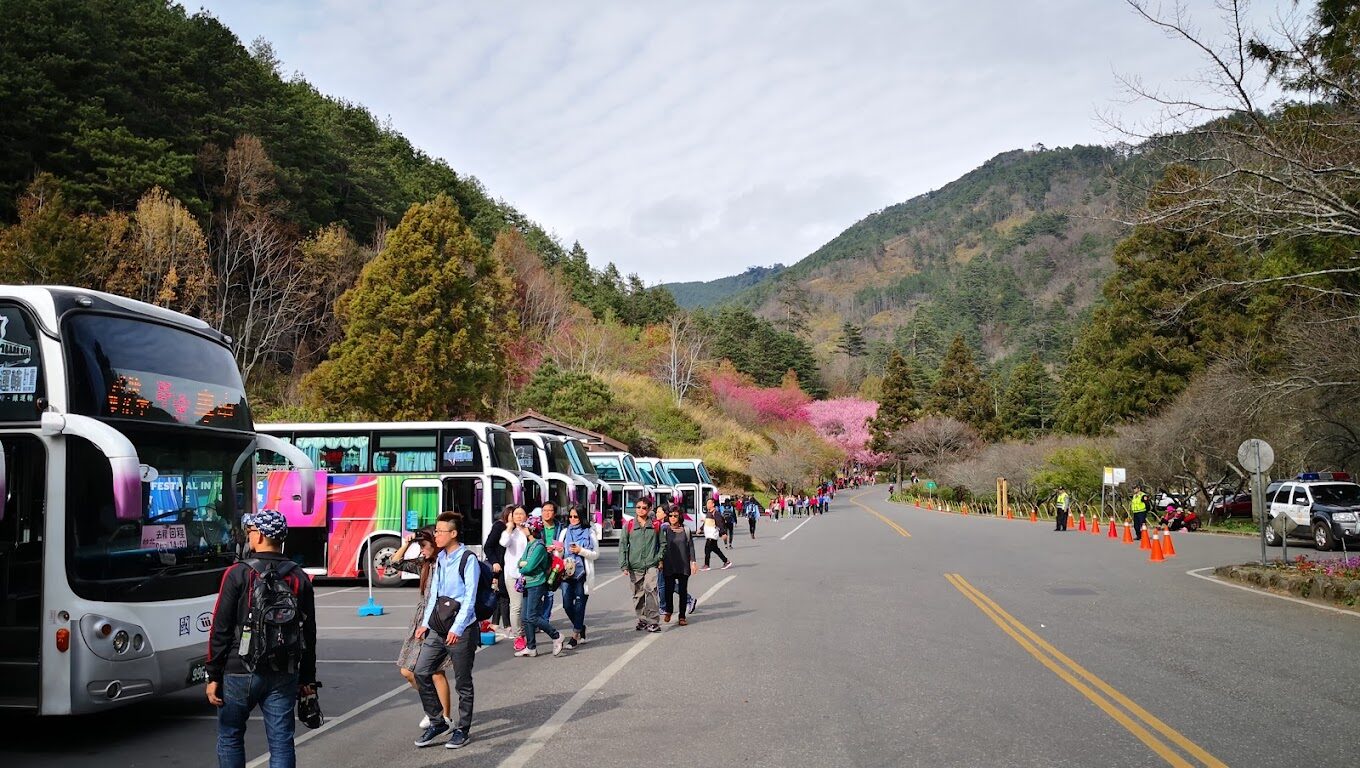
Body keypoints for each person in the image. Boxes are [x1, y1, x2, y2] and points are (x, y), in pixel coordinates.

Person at [205, 510, 318, 768]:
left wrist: (212, 675)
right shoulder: (299, 577)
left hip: (238, 669)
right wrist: (307, 679)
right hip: (283, 670)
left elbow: (219, 629)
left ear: (260, 535)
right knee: (281, 743)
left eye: (250, 532)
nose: (248, 537)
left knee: (231, 735)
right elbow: (308, 634)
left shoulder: (237, 573)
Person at [412, 511, 478, 750]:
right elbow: (434, 595)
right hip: (439, 627)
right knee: (421, 670)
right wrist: (425, 624)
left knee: (463, 683)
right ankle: (437, 721)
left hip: (462, 629)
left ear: (453, 533)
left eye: (440, 531)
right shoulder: (440, 560)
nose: (436, 535)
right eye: (436, 531)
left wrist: (459, 628)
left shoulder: (467, 559)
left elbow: (470, 597)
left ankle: (463, 729)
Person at [381, 528, 450, 728]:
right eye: (420, 546)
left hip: (439, 620)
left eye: (424, 546)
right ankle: (433, 708)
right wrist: (407, 543)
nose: (422, 550)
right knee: (407, 671)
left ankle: (444, 718)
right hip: (420, 620)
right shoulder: (424, 564)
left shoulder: (445, 563)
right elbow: (394, 563)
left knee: (436, 672)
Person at [516, 516, 565, 657]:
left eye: (525, 527)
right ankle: (531, 647)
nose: (522, 529)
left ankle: (556, 636)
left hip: (537, 584)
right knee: (525, 617)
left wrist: (523, 566)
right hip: (527, 583)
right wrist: (523, 564)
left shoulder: (538, 546)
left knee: (532, 616)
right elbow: (520, 562)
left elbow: (527, 567)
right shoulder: (530, 545)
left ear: (531, 529)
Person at [556, 505, 598, 648]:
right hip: (567, 574)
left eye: (576, 517)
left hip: (582, 574)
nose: (573, 519)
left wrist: (581, 551)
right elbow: (558, 555)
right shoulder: (564, 532)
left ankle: (575, 635)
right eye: (570, 517)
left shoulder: (589, 533)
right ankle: (581, 627)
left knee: (580, 606)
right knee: (567, 604)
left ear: (581, 517)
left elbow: (595, 554)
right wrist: (560, 551)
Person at [618, 498, 664, 632]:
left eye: (644, 507)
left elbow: (663, 544)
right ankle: (642, 619)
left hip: (651, 564)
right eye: (638, 507)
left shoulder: (656, 525)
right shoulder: (630, 525)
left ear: (649, 509)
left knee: (651, 591)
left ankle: (653, 621)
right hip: (635, 566)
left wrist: (658, 558)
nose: (640, 510)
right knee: (638, 595)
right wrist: (624, 564)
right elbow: (623, 546)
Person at [660, 507, 698, 625]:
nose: (672, 518)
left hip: (683, 565)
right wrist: (660, 561)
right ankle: (669, 611)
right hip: (669, 564)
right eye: (670, 515)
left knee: (682, 591)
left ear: (679, 516)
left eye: (675, 516)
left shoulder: (686, 529)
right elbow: (661, 546)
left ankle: (682, 616)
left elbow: (690, 546)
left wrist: (693, 562)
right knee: (668, 590)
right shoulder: (665, 530)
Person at [499, 506, 528, 647]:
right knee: (516, 606)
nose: (518, 516)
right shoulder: (510, 532)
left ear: (526, 516)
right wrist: (509, 528)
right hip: (513, 574)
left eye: (521, 514)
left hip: (529, 573)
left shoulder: (530, 531)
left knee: (527, 606)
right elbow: (504, 542)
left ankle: (527, 632)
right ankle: (518, 636)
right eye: (515, 514)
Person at [483, 506, 512, 636]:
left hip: (508, 566)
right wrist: (494, 561)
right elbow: (488, 546)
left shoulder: (515, 529)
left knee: (501, 595)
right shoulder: (499, 526)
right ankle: (507, 626)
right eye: (513, 514)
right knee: (503, 595)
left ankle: (495, 624)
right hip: (499, 567)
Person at [701, 499, 731, 571]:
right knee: (715, 549)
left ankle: (707, 565)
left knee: (707, 549)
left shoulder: (716, 513)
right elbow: (706, 522)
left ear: (713, 504)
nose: (707, 505)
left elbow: (720, 524)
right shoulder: (709, 513)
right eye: (707, 503)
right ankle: (726, 561)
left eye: (709, 503)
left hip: (712, 535)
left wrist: (723, 533)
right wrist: (701, 528)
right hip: (709, 535)